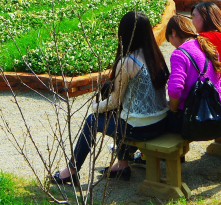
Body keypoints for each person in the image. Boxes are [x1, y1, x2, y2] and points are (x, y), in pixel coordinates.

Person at [52, 11, 169, 185]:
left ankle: (71, 171)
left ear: (125, 33)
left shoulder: (128, 62)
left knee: (93, 121)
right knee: (121, 116)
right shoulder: (155, 56)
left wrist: (95, 106)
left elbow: (114, 102)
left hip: (141, 129)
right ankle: (122, 165)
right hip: (161, 123)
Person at [164, 15, 221, 133]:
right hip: (214, 111)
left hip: (190, 117)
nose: (172, 44)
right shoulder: (208, 47)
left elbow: (175, 88)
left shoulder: (179, 54)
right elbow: (218, 81)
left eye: (170, 39)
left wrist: (173, 110)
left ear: (173, 33)